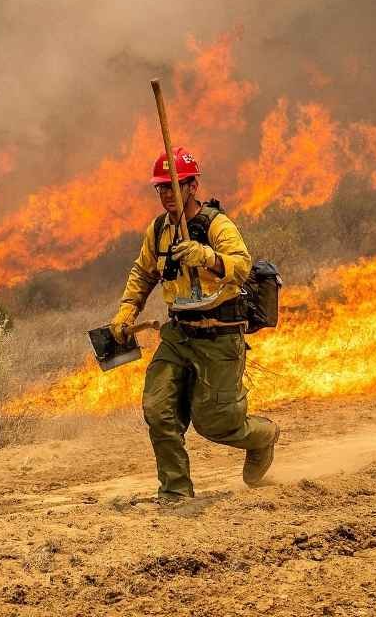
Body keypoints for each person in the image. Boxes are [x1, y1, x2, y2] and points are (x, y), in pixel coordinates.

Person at [111, 147, 279, 501]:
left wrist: (207, 257)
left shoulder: (216, 225)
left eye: (174, 186)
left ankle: (263, 437)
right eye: (162, 187)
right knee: (158, 411)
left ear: (192, 186)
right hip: (178, 334)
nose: (167, 194)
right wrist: (127, 310)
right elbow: (143, 272)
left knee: (215, 422)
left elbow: (241, 266)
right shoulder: (159, 230)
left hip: (219, 335)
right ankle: (175, 492)